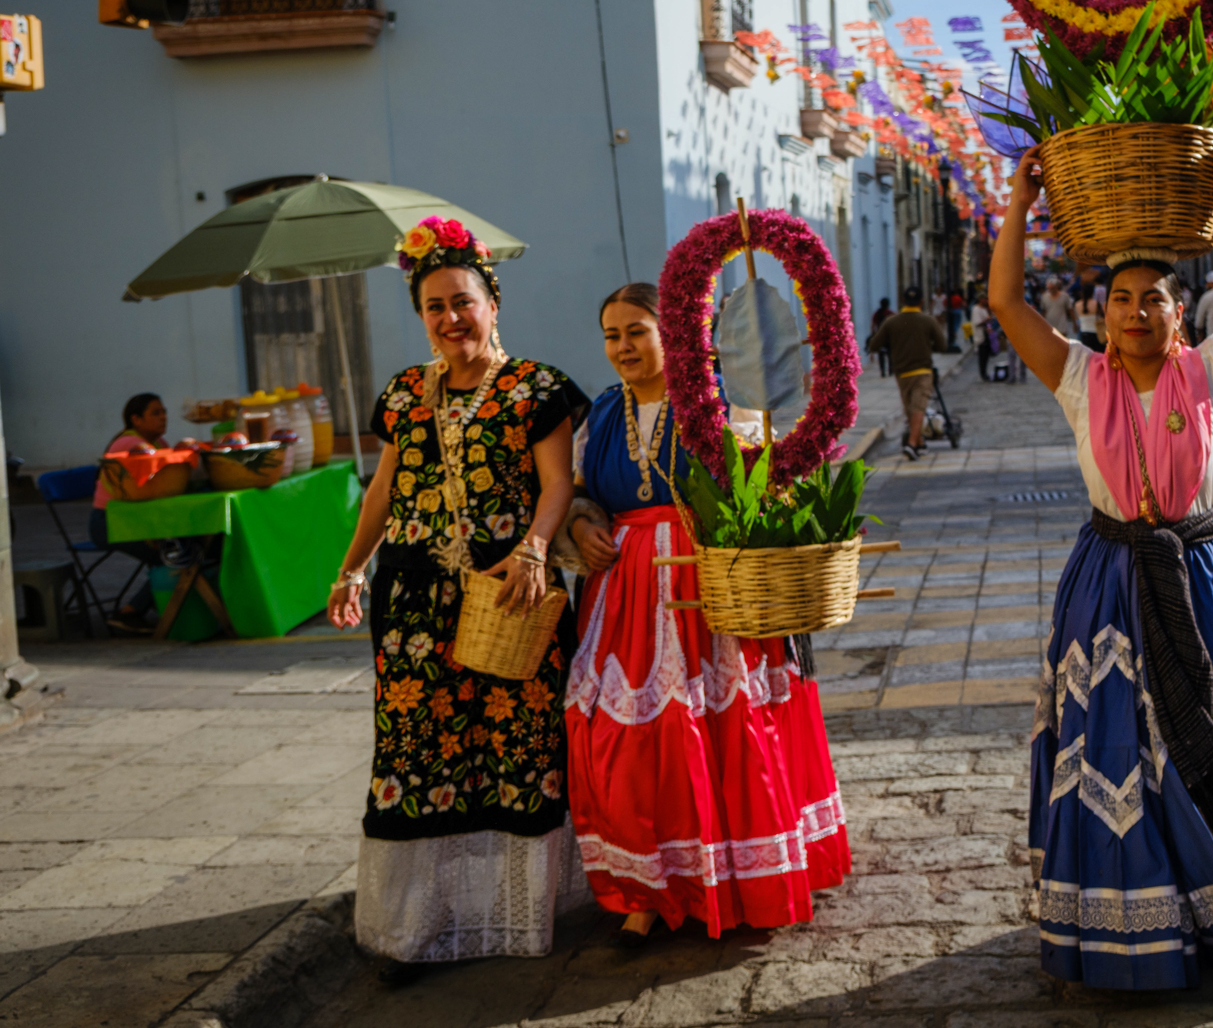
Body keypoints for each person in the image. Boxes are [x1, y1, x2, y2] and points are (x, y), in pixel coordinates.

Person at [989, 137, 1213, 991]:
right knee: (1121, 755)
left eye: (1151, 299)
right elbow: (1006, 300)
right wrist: (1019, 199)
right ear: (1102, 313)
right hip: (1109, 584)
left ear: (1178, 310)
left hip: (1201, 578)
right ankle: (1141, 927)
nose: (1134, 312)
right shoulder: (1080, 379)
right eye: (1119, 300)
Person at [326, 217, 590, 981]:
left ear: (493, 303)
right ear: (421, 317)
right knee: (416, 754)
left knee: (517, 746)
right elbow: (381, 491)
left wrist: (535, 546)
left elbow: (556, 485)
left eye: (463, 302)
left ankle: (515, 917)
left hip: (508, 590)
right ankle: (416, 927)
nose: (450, 319)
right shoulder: (405, 393)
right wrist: (351, 570)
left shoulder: (536, 387)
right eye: (435, 307)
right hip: (412, 603)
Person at [559, 283, 849, 943]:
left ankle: (736, 881)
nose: (623, 347)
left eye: (637, 331)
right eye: (612, 335)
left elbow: (773, 484)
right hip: (624, 590)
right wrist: (580, 526)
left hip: (708, 588)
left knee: (719, 734)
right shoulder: (602, 414)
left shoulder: (721, 401)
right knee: (623, 737)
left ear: (676, 334)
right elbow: (578, 493)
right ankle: (649, 885)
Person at [92, 392, 174, 634]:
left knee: (181, 549)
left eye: (164, 412)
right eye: (155, 413)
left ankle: (161, 605)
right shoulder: (131, 445)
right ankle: (131, 612)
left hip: (141, 519)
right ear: (136, 420)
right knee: (175, 557)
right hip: (108, 523)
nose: (163, 418)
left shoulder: (160, 444)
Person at [868, 286, 948, 459]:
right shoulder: (928, 321)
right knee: (918, 407)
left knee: (909, 408)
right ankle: (912, 444)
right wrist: (926, 346)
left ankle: (919, 443)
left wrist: (893, 347)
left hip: (902, 372)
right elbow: (942, 345)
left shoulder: (891, 321)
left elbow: (874, 345)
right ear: (921, 302)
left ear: (903, 301)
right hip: (923, 370)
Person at [868, 298, 895, 377]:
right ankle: (891, 370)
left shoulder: (877, 313)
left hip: (880, 336)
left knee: (881, 355)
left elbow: (873, 325)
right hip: (888, 337)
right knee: (890, 354)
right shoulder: (890, 313)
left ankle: (882, 371)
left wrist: (873, 334)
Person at [1073, 284, 1104, 351]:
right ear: (1092, 292)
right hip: (1096, 333)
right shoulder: (1096, 303)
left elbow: (1077, 318)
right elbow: (1102, 315)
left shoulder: (1077, 304)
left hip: (1083, 332)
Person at [971, 294, 995, 381]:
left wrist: (990, 316)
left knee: (986, 356)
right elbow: (977, 323)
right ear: (980, 299)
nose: (986, 301)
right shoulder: (976, 309)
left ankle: (985, 373)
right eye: (985, 299)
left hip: (986, 336)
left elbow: (988, 321)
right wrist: (987, 319)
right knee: (982, 356)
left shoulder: (984, 309)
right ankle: (983, 374)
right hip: (980, 336)